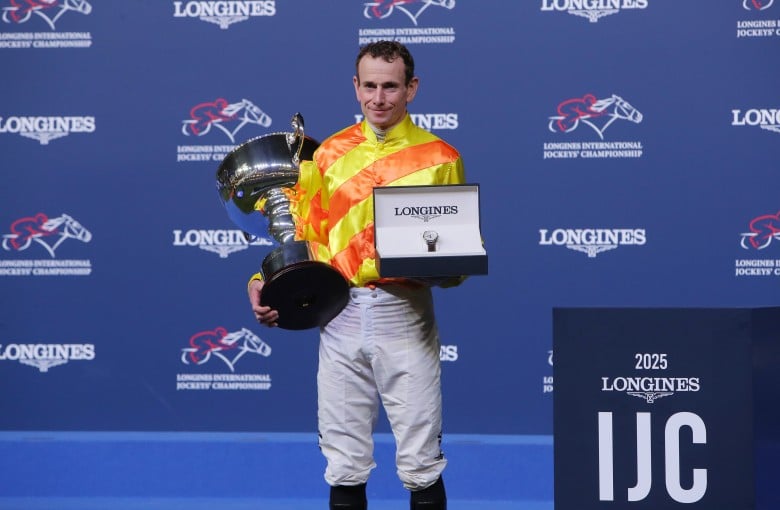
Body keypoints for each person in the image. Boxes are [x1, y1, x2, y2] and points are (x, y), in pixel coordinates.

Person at [247, 40, 467, 510]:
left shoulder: (441, 158)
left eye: (391, 86)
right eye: (370, 86)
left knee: (421, 464)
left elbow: (454, 251)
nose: (379, 98)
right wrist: (260, 281)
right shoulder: (326, 156)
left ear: (412, 88)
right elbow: (303, 232)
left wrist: (451, 267)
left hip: (404, 316)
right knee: (344, 464)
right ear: (355, 86)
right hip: (340, 314)